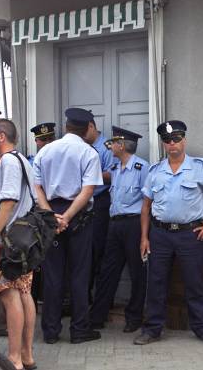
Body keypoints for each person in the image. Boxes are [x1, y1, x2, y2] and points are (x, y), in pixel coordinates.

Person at [134, 120, 203, 346]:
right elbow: (145, 207)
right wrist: (144, 238)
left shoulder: (200, 166)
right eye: (167, 140)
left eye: (176, 139)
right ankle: (152, 329)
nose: (172, 144)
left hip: (190, 234)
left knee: (194, 283)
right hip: (160, 234)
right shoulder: (155, 171)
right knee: (155, 283)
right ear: (164, 144)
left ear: (184, 140)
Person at [33, 108, 103, 344]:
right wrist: (68, 216)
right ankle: (79, 329)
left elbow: (37, 187)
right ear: (87, 129)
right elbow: (88, 189)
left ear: (66, 128)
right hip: (78, 216)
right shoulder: (89, 153)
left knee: (52, 275)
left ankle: (50, 331)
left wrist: (52, 215)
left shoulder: (46, 151)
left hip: (51, 214)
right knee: (79, 274)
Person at [0, 120, 37, 370]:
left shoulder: (8, 161)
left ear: (1, 137)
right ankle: (26, 355)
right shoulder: (24, 160)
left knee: (9, 294)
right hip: (24, 237)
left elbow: (8, 200)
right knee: (25, 293)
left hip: (9, 238)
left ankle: (15, 357)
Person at [89, 126, 148, 333]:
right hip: (114, 224)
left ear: (121, 145)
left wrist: (144, 234)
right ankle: (97, 316)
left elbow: (148, 202)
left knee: (137, 272)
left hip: (134, 224)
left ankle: (134, 317)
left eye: (113, 142)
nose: (110, 146)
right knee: (107, 271)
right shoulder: (114, 170)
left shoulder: (142, 168)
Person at [85, 116, 115, 299]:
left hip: (100, 203)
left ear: (91, 126)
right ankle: (83, 296)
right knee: (83, 253)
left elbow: (112, 174)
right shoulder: (80, 145)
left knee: (99, 251)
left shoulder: (106, 147)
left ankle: (101, 300)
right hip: (81, 203)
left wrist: (89, 174)